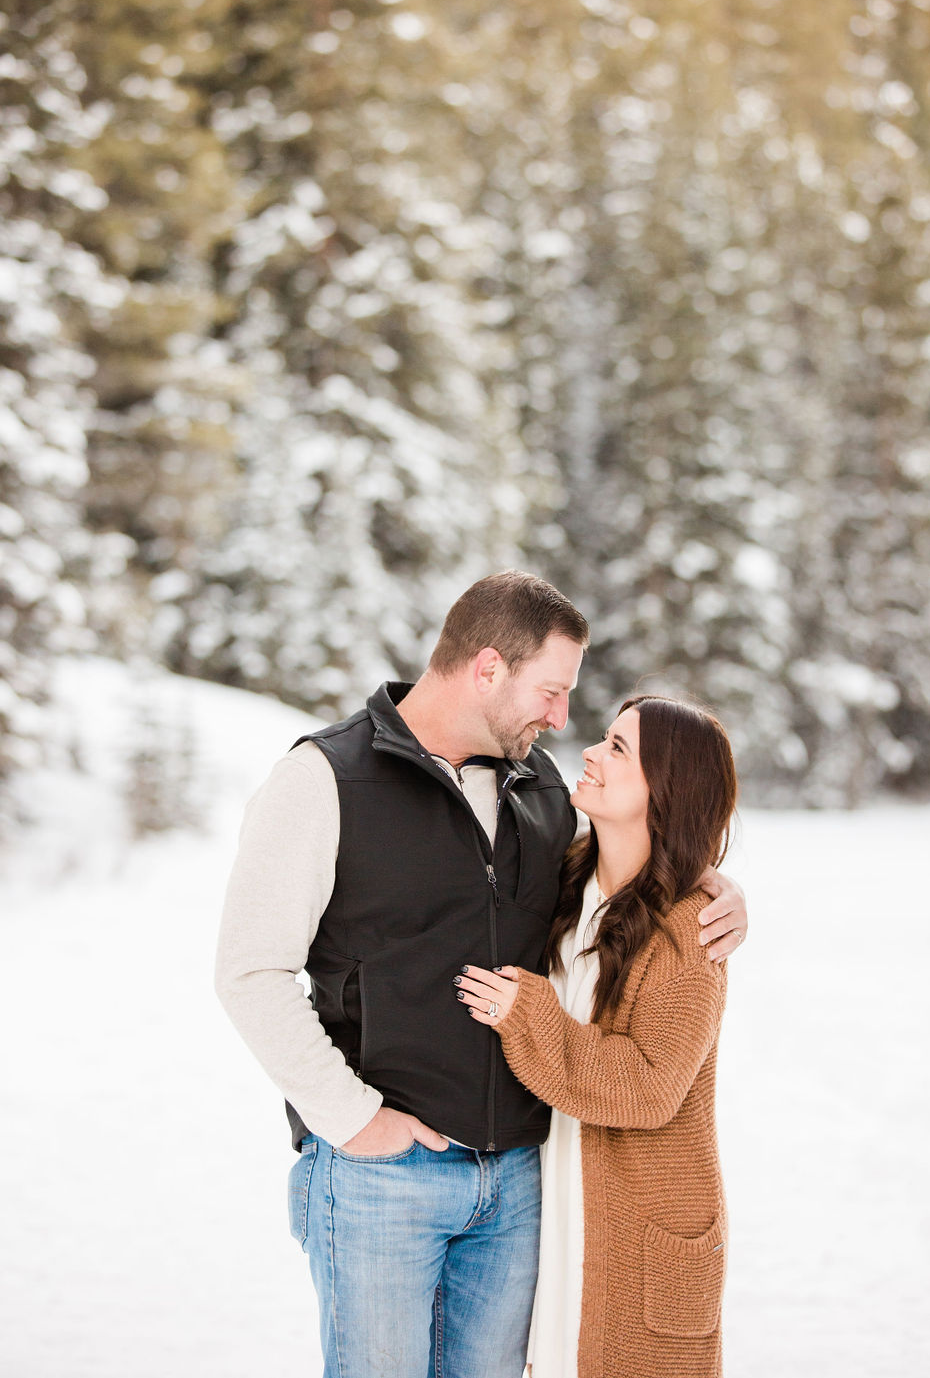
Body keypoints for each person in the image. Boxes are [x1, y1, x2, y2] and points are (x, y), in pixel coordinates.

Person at [215, 573, 748, 1378]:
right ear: (489, 669)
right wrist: (353, 1119)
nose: (561, 718)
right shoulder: (326, 778)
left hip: (518, 1189)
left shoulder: (540, 791)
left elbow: (638, 865)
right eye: (552, 691)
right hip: (383, 1178)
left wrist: (714, 884)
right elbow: (250, 970)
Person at [456, 694, 738, 1378]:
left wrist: (531, 1017)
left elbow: (649, 1085)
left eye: (618, 748)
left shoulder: (689, 928)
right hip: (560, 1214)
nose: (590, 751)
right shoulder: (568, 880)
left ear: (666, 789)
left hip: (639, 1242)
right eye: (605, 738)